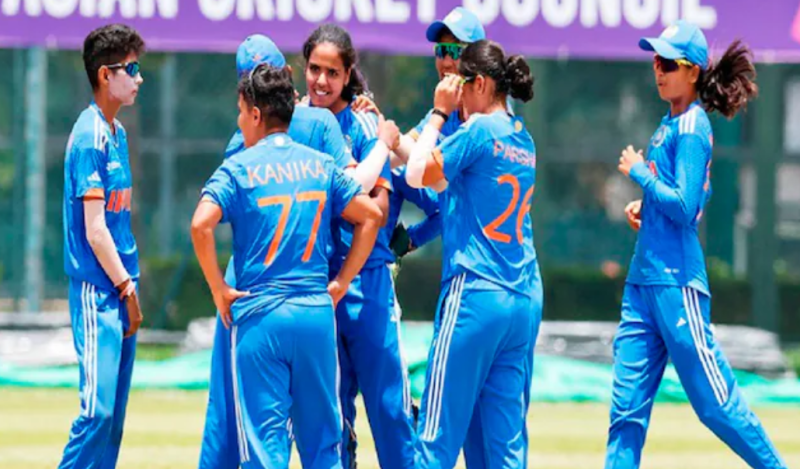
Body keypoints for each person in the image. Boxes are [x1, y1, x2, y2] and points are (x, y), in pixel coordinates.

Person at [609, 20, 786, 469]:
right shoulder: (670, 123)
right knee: (625, 413)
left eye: (669, 63)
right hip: (642, 284)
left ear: (693, 71)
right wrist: (647, 205)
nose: (658, 70)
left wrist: (641, 175)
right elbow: (693, 196)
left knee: (715, 405)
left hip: (676, 283)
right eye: (656, 61)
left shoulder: (691, 124)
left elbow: (687, 208)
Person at [191, 63, 382, 469]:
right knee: (323, 450)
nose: (239, 121)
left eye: (240, 112)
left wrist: (218, 290)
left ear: (255, 114)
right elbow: (371, 216)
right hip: (314, 314)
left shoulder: (239, 166)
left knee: (265, 451)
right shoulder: (320, 164)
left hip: (261, 318)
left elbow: (200, 224)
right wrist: (342, 281)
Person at [405, 39, 541, 469]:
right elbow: (451, 186)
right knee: (505, 450)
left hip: (476, 294)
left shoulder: (478, 130)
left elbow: (417, 173)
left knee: (435, 438)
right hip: (519, 300)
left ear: (480, 83)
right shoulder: (523, 138)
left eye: (461, 83)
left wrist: (438, 112)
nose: (456, 91)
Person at [302, 24, 416, 469]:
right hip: (316, 284)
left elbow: (380, 210)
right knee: (328, 416)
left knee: (389, 410)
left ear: (348, 74)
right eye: (314, 69)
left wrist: (339, 197)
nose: (322, 81)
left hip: (367, 283)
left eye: (332, 72)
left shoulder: (365, 121)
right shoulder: (295, 122)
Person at [59, 23, 145, 469]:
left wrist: (130, 284)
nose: (139, 77)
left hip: (122, 284)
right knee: (98, 412)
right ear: (105, 75)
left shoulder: (118, 133)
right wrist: (125, 287)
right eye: (131, 68)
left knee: (114, 422)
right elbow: (95, 231)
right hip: (100, 290)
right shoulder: (90, 135)